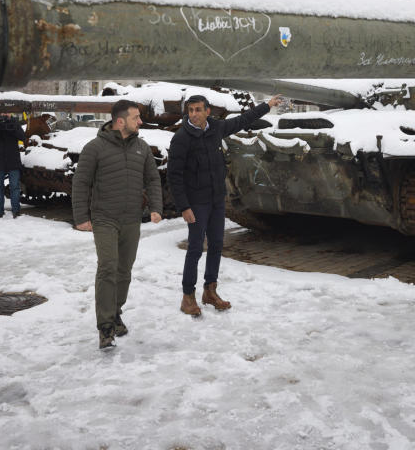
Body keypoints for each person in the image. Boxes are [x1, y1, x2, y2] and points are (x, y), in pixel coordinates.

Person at [168, 93, 280, 316]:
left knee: (217, 245)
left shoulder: (216, 128)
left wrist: (266, 106)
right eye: (190, 110)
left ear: (207, 111)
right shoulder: (182, 138)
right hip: (197, 203)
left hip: (217, 199)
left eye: (198, 109)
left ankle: (210, 290)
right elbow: (174, 175)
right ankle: (187, 296)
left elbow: (242, 120)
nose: (194, 114)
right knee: (195, 248)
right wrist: (184, 207)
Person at [72, 100, 163, 349]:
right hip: (104, 218)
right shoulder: (95, 148)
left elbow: (153, 179)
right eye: (136, 118)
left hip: (132, 219)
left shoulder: (142, 148)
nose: (140, 122)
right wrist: (81, 217)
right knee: (108, 267)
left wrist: (156, 207)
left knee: (124, 271)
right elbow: (81, 182)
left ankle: (115, 311)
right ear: (120, 121)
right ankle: (106, 326)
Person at [0, 113, 26, 219]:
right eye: (3, 112)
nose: (5, 114)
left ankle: (16, 210)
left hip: (13, 161)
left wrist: (13, 129)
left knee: (15, 187)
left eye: (8, 112)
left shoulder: (15, 123)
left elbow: (23, 137)